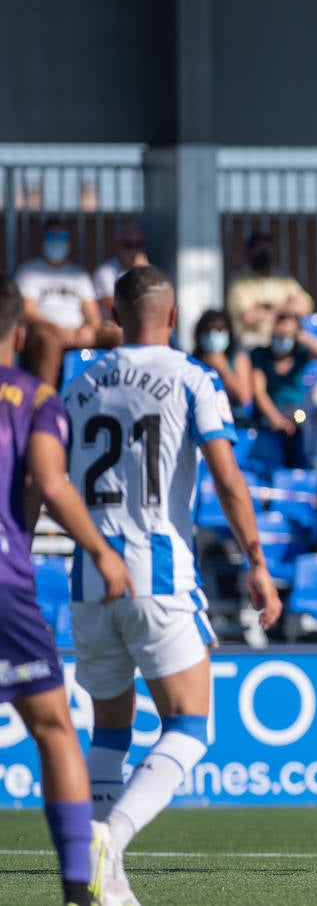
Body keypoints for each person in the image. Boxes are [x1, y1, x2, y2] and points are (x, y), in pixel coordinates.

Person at [63, 265, 282, 906]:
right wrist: (257, 562)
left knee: (110, 729)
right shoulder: (191, 377)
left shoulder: (78, 385)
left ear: (115, 310)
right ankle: (112, 838)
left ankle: (104, 883)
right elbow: (228, 478)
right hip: (156, 572)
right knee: (189, 724)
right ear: (172, 309)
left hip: (87, 575)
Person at [0, 275, 133, 906]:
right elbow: (50, 483)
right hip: (3, 581)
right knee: (53, 726)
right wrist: (103, 551)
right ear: (17, 333)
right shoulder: (32, 397)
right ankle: (78, 891)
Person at [13, 217, 122, 387]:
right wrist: (58, 330)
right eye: (52, 236)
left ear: (69, 241)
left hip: (77, 334)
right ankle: (45, 401)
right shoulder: (29, 272)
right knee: (48, 340)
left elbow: (93, 316)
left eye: (62, 236)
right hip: (43, 334)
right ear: (42, 240)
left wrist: (89, 329)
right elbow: (27, 312)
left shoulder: (79, 275)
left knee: (117, 335)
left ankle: (121, 390)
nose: (57, 241)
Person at [249, 312, 317, 469]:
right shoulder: (260, 355)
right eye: (279, 334)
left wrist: (300, 335)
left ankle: (305, 467)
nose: (283, 338)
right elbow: (259, 392)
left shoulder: (300, 354)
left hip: (296, 414)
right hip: (268, 414)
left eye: (289, 335)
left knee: (304, 418)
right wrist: (275, 418)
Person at [225, 231, 314, 350]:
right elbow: (248, 316)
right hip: (255, 340)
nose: (265, 253)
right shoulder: (240, 283)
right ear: (250, 252)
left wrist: (268, 308)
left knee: (310, 344)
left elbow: (305, 307)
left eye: (267, 248)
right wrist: (286, 308)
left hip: (285, 337)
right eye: (260, 249)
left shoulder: (283, 279)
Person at [190, 309, 254, 425]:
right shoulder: (193, 361)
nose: (214, 335)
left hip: (236, 424)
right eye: (209, 330)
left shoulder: (238, 357)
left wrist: (222, 369)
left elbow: (244, 398)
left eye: (220, 330)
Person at [93, 224, 150, 320]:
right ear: (119, 246)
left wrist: (145, 274)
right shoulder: (105, 272)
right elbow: (116, 312)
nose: (134, 251)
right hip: (117, 326)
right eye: (128, 245)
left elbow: (158, 307)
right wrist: (137, 275)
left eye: (138, 245)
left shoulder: (150, 271)